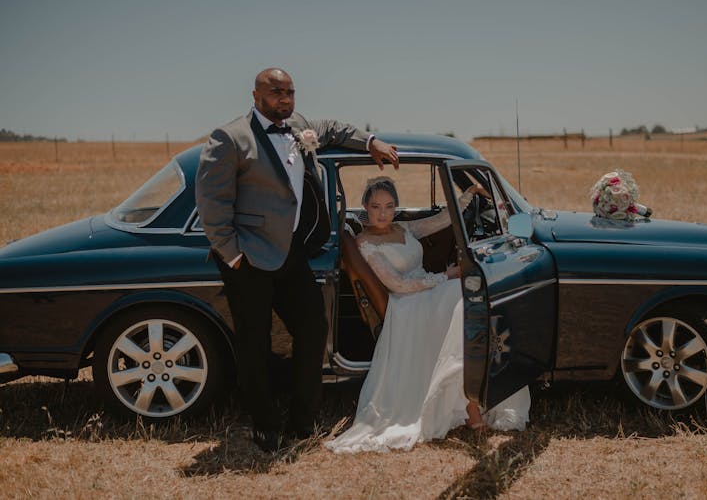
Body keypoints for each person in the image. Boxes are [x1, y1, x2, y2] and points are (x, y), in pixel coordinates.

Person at [195, 68, 399, 452]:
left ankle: (302, 420)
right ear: (256, 95)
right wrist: (233, 255)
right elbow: (211, 202)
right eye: (276, 92)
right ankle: (264, 422)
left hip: (291, 254)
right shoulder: (231, 137)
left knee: (313, 329)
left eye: (290, 92)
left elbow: (336, 129)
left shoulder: (300, 127)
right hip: (249, 259)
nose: (285, 99)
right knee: (254, 343)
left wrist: (371, 141)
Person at [326, 177, 530, 453]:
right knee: (460, 298)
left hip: (426, 289)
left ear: (396, 207)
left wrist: (468, 194)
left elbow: (442, 220)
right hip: (406, 302)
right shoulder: (365, 243)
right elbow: (396, 284)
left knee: (466, 298)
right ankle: (470, 406)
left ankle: (475, 396)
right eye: (375, 207)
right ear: (365, 206)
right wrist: (444, 276)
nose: (382, 213)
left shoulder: (404, 228)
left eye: (388, 206)